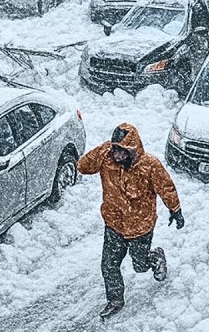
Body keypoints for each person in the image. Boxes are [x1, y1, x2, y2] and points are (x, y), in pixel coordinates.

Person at [78, 123, 185, 320]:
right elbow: (83, 166)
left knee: (140, 265)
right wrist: (104, 149)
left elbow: (166, 187)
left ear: (133, 150)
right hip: (114, 224)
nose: (117, 156)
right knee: (109, 265)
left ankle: (155, 257)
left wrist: (175, 210)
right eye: (115, 149)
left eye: (122, 151)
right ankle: (115, 300)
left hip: (140, 227)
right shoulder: (106, 159)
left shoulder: (149, 166)